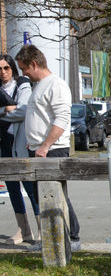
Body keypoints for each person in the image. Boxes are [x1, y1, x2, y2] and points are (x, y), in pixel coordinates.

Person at [15, 45, 80, 251]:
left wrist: (45, 145)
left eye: (24, 68)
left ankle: (73, 237)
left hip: (52, 150)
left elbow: (62, 119)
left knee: (56, 195)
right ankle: (51, 240)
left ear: (34, 64)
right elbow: (42, 118)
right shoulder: (40, 86)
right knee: (43, 196)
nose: (23, 73)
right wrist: (34, 141)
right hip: (39, 149)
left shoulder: (56, 85)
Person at [0, 54, 39, 245]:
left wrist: (9, 111)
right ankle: (24, 231)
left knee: (31, 190)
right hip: (4, 145)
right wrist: (4, 110)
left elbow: (23, 111)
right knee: (13, 190)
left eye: (6, 68)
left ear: (12, 68)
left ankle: (43, 230)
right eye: (0, 69)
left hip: (21, 145)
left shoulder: (22, 85)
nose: (3, 72)